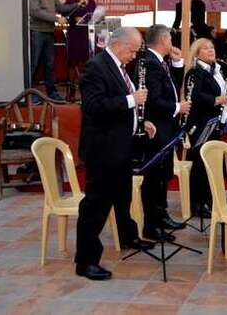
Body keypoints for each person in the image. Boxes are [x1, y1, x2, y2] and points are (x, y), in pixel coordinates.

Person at [75, 27, 156, 280]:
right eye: (132, 51)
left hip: (121, 146)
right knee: (96, 206)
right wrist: (132, 100)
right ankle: (86, 261)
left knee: (123, 197)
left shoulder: (119, 66)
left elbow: (121, 104)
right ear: (119, 45)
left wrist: (141, 122)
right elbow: (94, 107)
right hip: (103, 149)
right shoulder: (96, 67)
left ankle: (128, 236)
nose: (134, 56)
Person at [138, 24, 191, 241]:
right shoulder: (150, 63)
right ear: (162, 39)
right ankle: (151, 224)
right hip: (156, 128)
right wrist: (178, 107)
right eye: (169, 38)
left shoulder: (160, 61)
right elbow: (153, 100)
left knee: (164, 174)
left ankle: (162, 214)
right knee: (154, 177)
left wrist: (177, 63)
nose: (171, 42)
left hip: (166, 128)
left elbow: (170, 88)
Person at [183, 38, 227, 218]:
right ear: (197, 53)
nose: (211, 50)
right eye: (205, 48)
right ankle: (197, 204)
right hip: (200, 124)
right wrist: (217, 100)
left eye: (212, 47)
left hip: (214, 122)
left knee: (210, 162)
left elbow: (222, 92)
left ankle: (209, 199)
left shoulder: (217, 70)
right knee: (200, 163)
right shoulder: (195, 71)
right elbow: (194, 96)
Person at [29, 0, 80, 101]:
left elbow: (60, 8)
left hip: (49, 32)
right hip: (36, 32)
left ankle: (52, 92)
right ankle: (30, 93)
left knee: (49, 65)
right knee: (33, 64)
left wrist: (77, 4)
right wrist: (56, 18)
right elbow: (35, 11)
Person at [63, 0, 97, 102]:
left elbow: (95, 17)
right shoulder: (70, 1)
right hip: (74, 34)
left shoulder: (92, 2)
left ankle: (86, 91)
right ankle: (71, 92)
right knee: (72, 62)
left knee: (86, 64)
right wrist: (75, 15)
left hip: (87, 35)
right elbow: (65, 15)